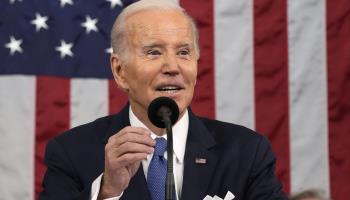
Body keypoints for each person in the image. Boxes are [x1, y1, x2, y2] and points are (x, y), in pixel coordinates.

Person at [39, 0, 288, 199]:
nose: (173, 66)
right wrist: (106, 192)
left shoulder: (246, 151)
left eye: (183, 52)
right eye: (153, 52)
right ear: (120, 71)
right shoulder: (72, 152)